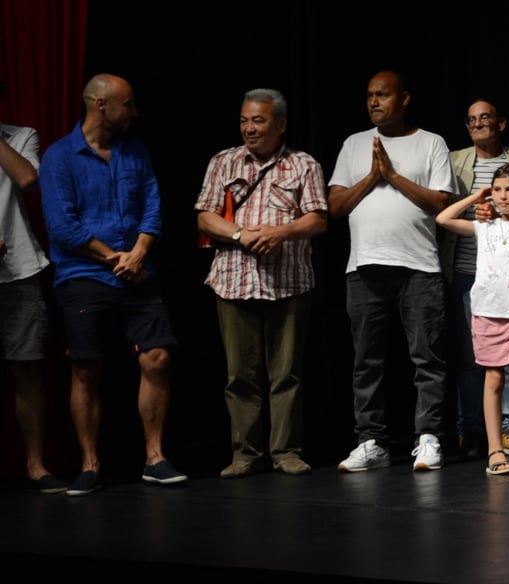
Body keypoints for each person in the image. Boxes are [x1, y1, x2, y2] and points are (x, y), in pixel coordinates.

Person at [39, 73, 187, 495]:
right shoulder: (59, 157)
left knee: (157, 357)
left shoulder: (134, 150)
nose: (134, 112)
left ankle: (155, 458)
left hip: (138, 271)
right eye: (128, 104)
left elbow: (153, 206)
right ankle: (89, 464)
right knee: (86, 366)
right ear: (101, 105)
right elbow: (63, 226)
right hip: (84, 275)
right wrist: (115, 258)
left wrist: (138, 253)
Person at [329, 69, 458, 472]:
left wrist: (393, 176)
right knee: (366, 361)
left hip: (418, 267)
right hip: (364, 268)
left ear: (404, 99)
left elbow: (440, 202)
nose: (373, 102)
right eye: (369, 95)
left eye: (382, 95)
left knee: (427, 359)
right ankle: (371, 442)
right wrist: (372, 176)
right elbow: (335, 206)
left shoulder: (431, 143)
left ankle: (429, 438)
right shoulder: (353, 145)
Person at [195, 88, 327, 477]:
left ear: (280, 124)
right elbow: (204, 217)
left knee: (286, 373)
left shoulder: (304, 164)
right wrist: (241, 235)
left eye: (258, 121)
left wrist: (280, 233)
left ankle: (286, 450)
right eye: (244, 121)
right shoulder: (223, 161)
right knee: (240, 374)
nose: (249, 129)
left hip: (288, 281)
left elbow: (318, 219)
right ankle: (245, 454)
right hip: (233, 281)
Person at [437, 163, 509, 475]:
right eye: (498, 190)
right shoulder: (484, 226)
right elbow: (443, 218)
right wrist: (478, 196)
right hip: (489, 312)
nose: (503, 196)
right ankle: (495, 450)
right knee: (492, 379)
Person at [442, 98, 509, 460]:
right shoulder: (456, 160)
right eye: (472, 119)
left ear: (501, 122)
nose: (478, 124)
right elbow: (443, 217)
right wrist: (476, 197)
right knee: (473, 360)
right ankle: (473, 431)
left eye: (486, 118)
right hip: (472, 275)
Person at [0, 89, 67, 494]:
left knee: (27, 369)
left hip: (20, 271)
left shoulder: (21, 135)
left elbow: (28, 179)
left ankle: (36, 465)